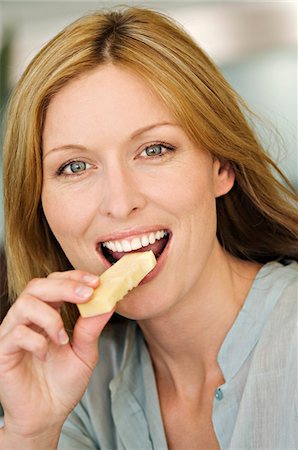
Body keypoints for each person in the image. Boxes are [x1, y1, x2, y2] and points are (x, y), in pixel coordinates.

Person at [0, 6, 297, 450]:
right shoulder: (72, 387)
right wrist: (32, 431)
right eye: (75, 166)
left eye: (154, 150)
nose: (120, 203)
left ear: (221, 166)